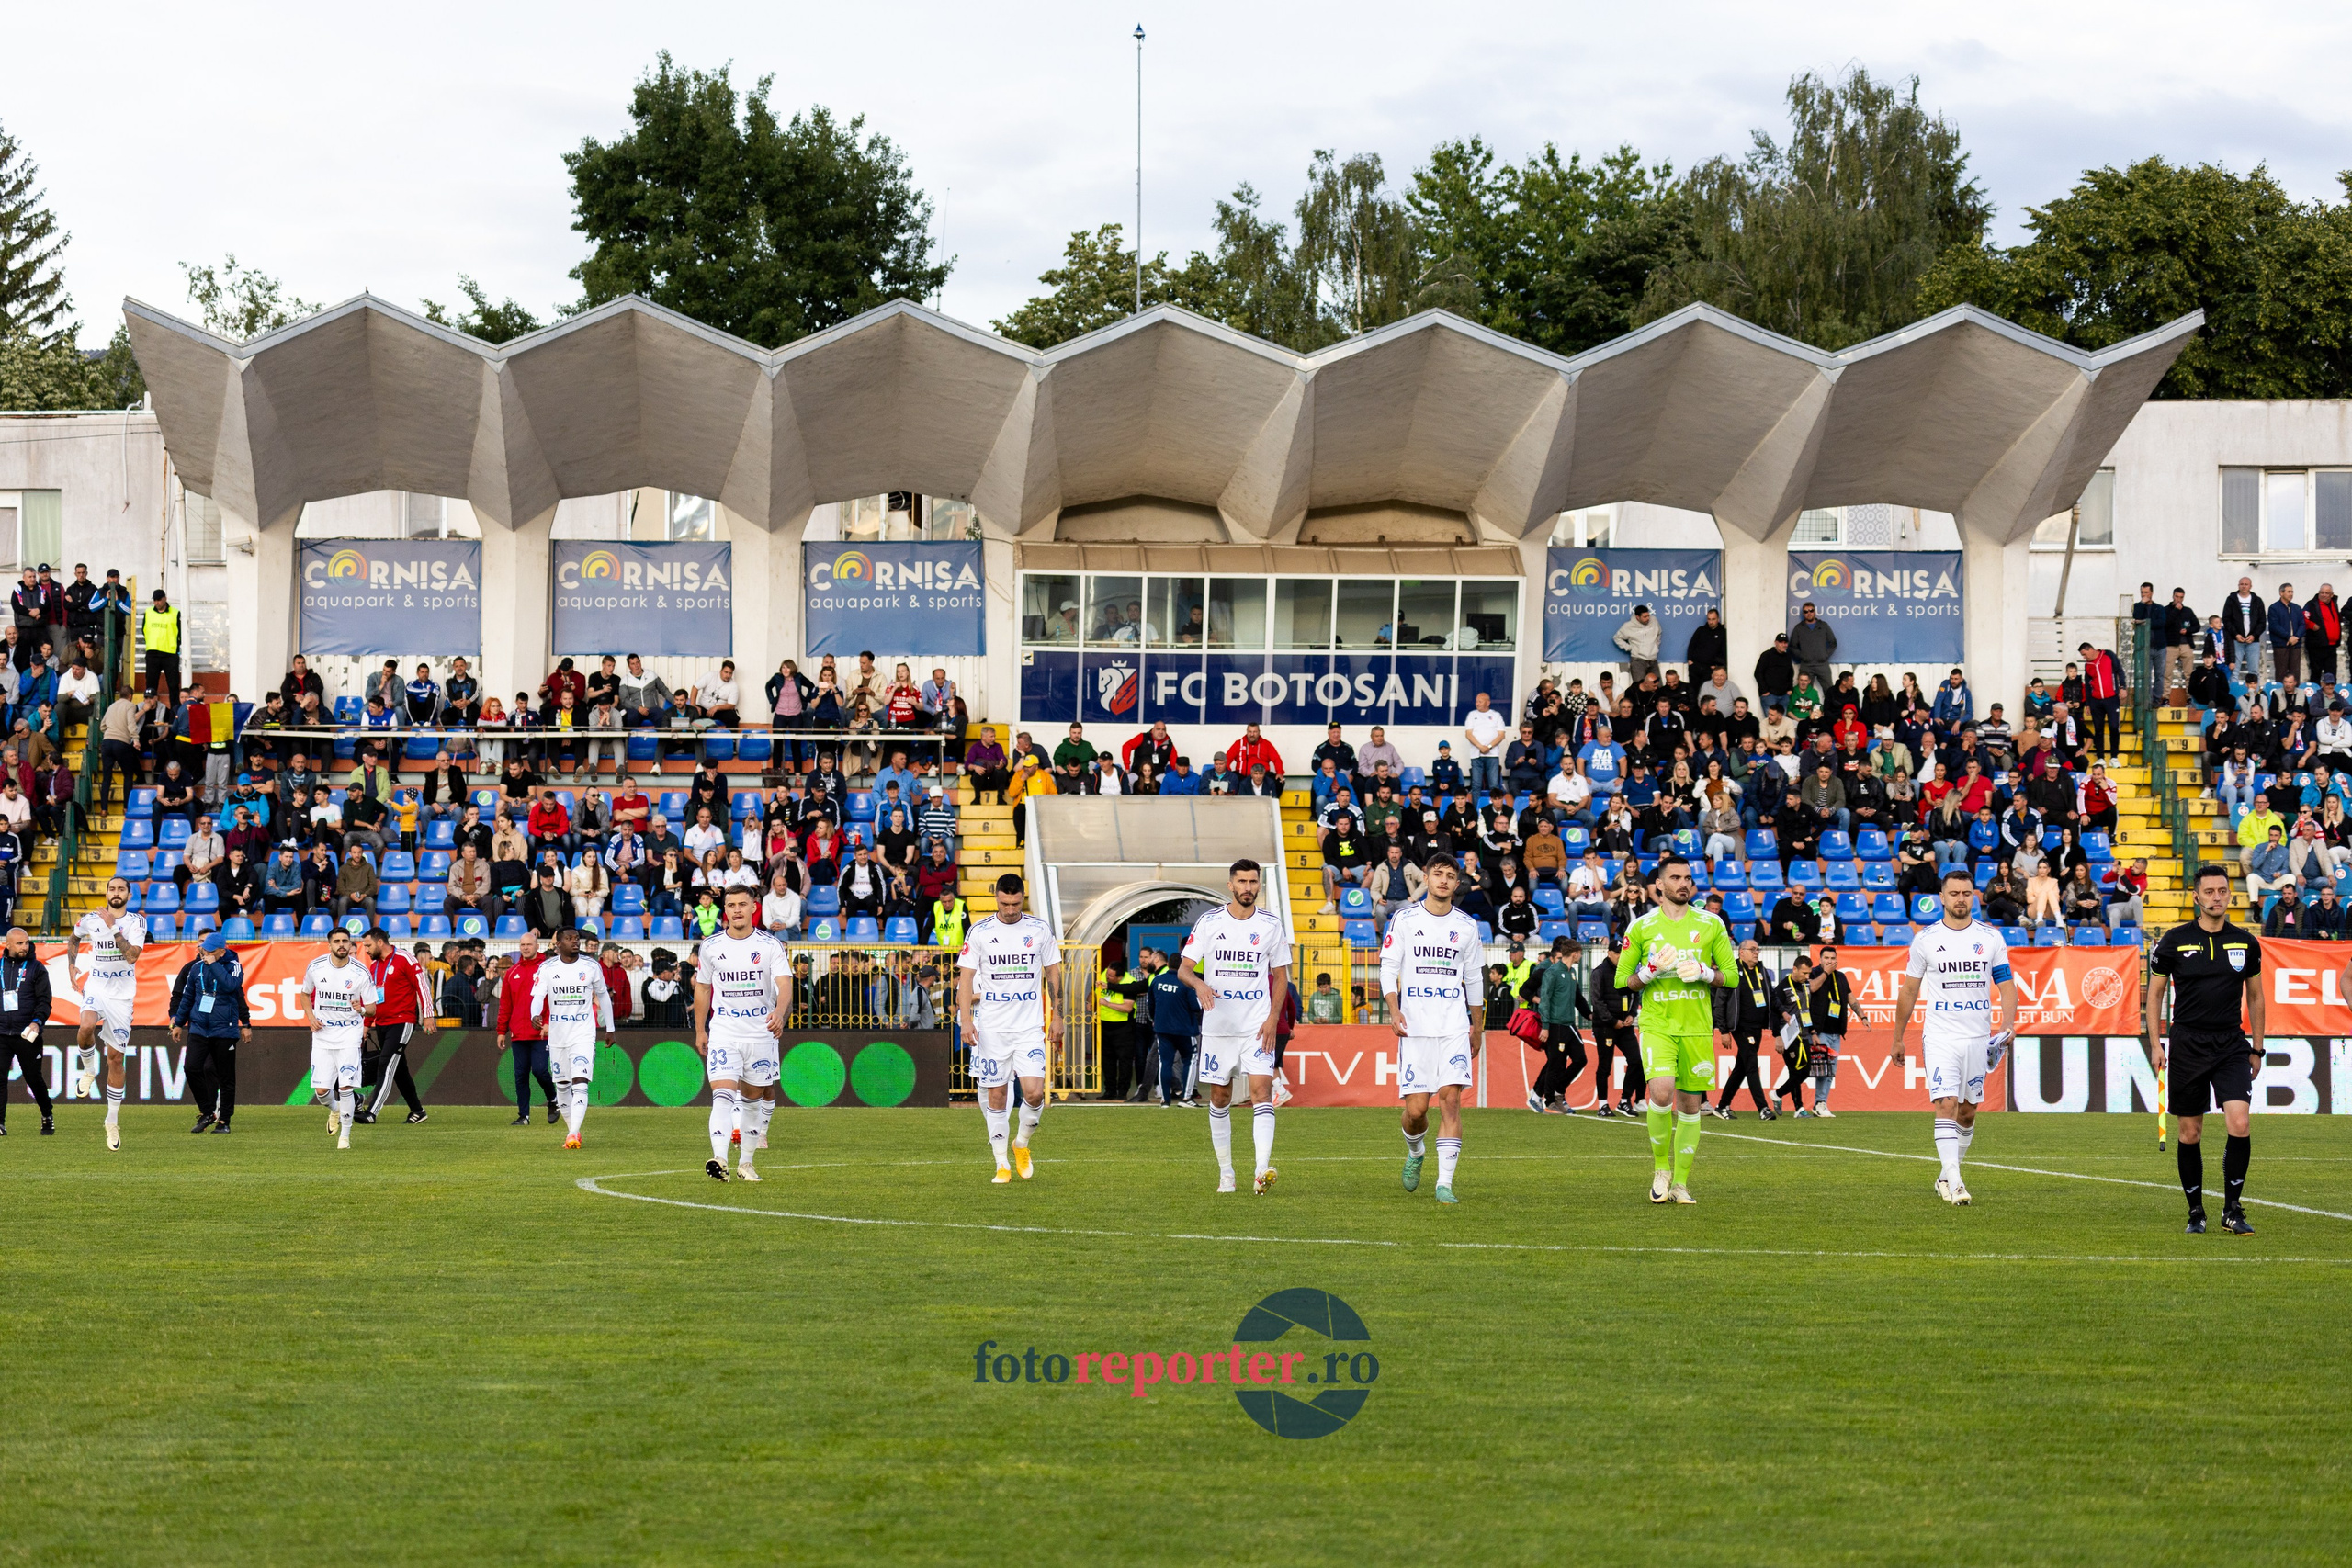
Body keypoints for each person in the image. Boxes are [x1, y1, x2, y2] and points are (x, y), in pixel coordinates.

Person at [1888, 868, 2021, 1206]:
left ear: (1973, 896)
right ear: (1942, 898)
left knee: (1968, 1112)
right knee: (1945, 1105)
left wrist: (2007, 1024)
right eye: (1954, 894)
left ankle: (1945, 1176)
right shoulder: (1926, 939)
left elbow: (2006, 984)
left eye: (1966, 893)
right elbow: (1909, 991)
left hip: (1978, 1037)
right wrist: (1897, 1038)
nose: (1961, 899)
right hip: (1940, 1037)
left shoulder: (1991, 938)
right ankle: (1957, 1183)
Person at [1611, 856, 1736, 1203]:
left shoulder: (1711, 924)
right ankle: (1660, 1168)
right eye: (1676, 878)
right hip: (1657, 1024)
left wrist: (1705, 972)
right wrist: (1649, 972)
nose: (1684, 883)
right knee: (1662, 1092)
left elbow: (1733, 975)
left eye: (1688, 878)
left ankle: (1680, 1183)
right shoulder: (1641, 927)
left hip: (1697, 1027)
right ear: (1659, 886)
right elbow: (1624, 981)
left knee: (1691, 1106)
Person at [2150, 866, 2266, 1235]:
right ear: (2196, 897)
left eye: (2222, 891)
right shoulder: (2173, 940)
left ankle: (2232, 1209)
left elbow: (2257, 996)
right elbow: (2154, 995)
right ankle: (2195, 1211)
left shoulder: (2246, 942)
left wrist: (2257, 1049)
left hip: (2231, 1043)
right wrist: (2156, 1044)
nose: (2217, 897)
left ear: (2229, 895)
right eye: (2209, 892)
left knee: (2240, 1123)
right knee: (2189, 1133)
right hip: (2187, 1044)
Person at [1178, 859, 1291, 1195]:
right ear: (1230, 885)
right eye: (1241, 882)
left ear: (1259, 885)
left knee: (1262, 1092)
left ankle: (1260, 1169)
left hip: (1256, 1026)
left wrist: (1272, 1019)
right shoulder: (1210, 922)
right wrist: (1199, 985)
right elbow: (1184, 969)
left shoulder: (1271, 925)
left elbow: (1282, 976)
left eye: (1253, 882)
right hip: (1219, 1028)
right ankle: (1226, 1172)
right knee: (1220, 1096)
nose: (1247, 888)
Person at [1379, 855, 1485, 1202]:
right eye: (1437, 874)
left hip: (1453, 1027)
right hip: (1415, 1028)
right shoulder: (1405, 919)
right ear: (1425, 877)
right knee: (1416, 1111)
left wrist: (1477, 1027)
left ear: (1457, 884)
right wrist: (1394, 1011)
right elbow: (1388, 968)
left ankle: (1445, 1184)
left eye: (1450, 876)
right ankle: (1415, 1152)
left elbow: (1473, 978)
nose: (1443, 881)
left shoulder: (1467, 926)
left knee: (1450, 1100)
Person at [956, 873, 1063, 1183]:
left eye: (1016, 903)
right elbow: (965, 981)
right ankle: (1001, 1163)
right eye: (1005, 903)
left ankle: (1021, 1144)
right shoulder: (980, 931)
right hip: (992, 1029)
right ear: (996, 898)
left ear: (1023, 898)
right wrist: (965, 1020)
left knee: (1033, 1093)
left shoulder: (1039, 930)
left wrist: (1058, 1016)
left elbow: (1054, 974)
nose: (1010, 909)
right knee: (997, 1096)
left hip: (1029, 1026)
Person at [695, 887, 792, 1180]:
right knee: (722, 1096)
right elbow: (702, 988)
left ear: (754, 908)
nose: (736, 909)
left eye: (742, 904)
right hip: (724, 1030)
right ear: (724, 909)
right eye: (731, 905)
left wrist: (779, 1011)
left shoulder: (770, 945)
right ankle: (719, 1158)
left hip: (760, 1033)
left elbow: (785, 983)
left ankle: (746, 1163)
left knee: (752, 1101)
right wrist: (700, 1029)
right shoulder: (710, 946)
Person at [73, 877, 146, 1150]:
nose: (116, 893)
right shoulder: (90, 919)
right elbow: (74, 937)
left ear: (129, 894)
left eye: (121, 890)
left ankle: (111, 1120)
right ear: (106, 893)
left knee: (115, 1059)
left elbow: (131, 957)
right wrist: (72, 965)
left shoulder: (136, 922)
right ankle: (89, 1071)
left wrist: (112, 927)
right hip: (97, 986)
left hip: (122, 996)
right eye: (112, 889)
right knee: (85, 1026)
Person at [532, 925, 614, 1150]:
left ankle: (572, 1135)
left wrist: (610, 1027)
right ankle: (573, 1131)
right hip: (558, 1035)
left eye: (577, 938)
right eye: (569, 938)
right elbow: (538, 995)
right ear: (558, 944)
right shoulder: (547, 968)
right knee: (562, 1085)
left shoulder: (591, 966)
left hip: (583, 1033)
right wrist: (534, 1014)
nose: (575, 941)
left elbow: (604, 997)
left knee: (580, 1082)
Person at [297, 926, 376, 1152]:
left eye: (346, 941)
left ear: (351, 945)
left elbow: (372, 1008)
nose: (342, 945)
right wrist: (311, 1017)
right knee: (321, 1091)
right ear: (329, 944)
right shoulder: (316, 967)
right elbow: (304, 994)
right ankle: (335, 1109)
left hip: (349, 1035)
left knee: (346, 1086)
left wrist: (361, 1009)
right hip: (323, 1035)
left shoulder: (361, 972)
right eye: (337, 941)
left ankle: (346, 1137)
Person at [169, 931, 252, 1133]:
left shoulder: (234, 967)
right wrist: (179, 1023)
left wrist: (214, 964)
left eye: (211, 951)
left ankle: (224, 1121)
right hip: (199, 1028)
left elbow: (231, 985)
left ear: (222, 951)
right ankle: (207, 1112)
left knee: (225, 1077)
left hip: (225, 1030)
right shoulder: (196, 968)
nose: (205, 953)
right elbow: (188, 996)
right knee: (191, 1068)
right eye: (204, 949)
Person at [356, 928, 429, 1125]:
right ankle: (418, 1111)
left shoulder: (404, 958)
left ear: (380, 943)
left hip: (402, 1021)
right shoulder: (374, 967)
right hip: (381, 1023)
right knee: (399, 1071)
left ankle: (371, 1112)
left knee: (385, 1064)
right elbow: (371, 1000)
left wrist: (428, 1014)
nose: (367, 950)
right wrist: (366, 1026)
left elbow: (421, 984)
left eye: (368, 946)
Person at [1711, 937, 1782, 1120]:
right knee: (1751, 1065)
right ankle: (1763, 1108)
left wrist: (1784, 1013)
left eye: (1758, 949)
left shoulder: (1762, 971)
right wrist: (1724, 1031)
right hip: (1740, 1027)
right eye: (1753, 949)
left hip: (1757, 1027)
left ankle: (1722, 1105)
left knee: (1741, 1068)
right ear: (1741, 952)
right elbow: (1720, 1003)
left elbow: (1772, 997)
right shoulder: (1731, 970)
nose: (1757, 952)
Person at [495, 931, 559, 1127]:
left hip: (540, 1032)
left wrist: (548, 1022)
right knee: (520, 1075)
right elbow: (506, 1004)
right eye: (522, 945)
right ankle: (524, 1115)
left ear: (537, 946)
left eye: (529, 944)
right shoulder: (512, 972)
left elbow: (554, 1000)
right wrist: (501, 1031)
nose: (525, 947)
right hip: (518, 1033)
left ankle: (553, 1100)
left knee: (540, 1070)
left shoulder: (547, 969)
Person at [0, 926, 54, 1135]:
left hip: (27, 1033)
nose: (25, 947)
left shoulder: (37, 968)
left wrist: (36, 1022)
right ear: (8, 945)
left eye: (27, 942)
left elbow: (44, 1001)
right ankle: (1, 1123)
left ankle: (47, 1114)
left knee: (33, 1078)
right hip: (2, 1033)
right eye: (20, 943)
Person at [1529, 936, 1589, 1114]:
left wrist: (1589, 1013)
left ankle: (1558, 1091)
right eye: (1580, 954)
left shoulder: (1572, 973)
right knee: (1555, 1063)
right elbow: (1545, 1000)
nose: (1580, 957)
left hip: (1569, 1024)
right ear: (1575, 954)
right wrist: (1545, 1026)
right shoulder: (1552, 972)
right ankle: (1551, 1099)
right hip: (1555, 1025)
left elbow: (1576, 998)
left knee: (1580, 1059)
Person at [141, 587, 182, 703]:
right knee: (150, 685)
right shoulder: (148, 612)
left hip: (170, 654)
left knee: (173, 685)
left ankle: (174, 712)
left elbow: (180, 633)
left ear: (165, 599)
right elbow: (144, 630)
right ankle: (149, 711)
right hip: (153, 653)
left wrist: (176, 646)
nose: (157, 602)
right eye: (155, 600)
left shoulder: (175, 613)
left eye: (159, 599)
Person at [1788, 601, 1837, 694]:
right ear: (1803, 614)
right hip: (1807, 665)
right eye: (1806, 611)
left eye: (1811, 610)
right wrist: (1803, 656)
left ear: (1815, 612)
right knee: (1804, 692)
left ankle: (1830, 709)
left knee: (1830, 691)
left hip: (1822, 664)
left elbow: (1833, 643)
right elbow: (1792, 646)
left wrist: (1825, 655)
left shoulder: (1823, 626)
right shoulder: (1799, 628)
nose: (1809, 613)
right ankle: (1805, 709)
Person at [1613, 604, 1661, 684]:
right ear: (1637, 617)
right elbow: (1617, 638)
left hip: (1653, 660)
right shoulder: (1628, 626)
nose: (1648, 618)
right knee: (1640, 687)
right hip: (1638, 660)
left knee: (1657, 686)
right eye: (1645, 617)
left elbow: (1659, 633)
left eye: (1648, 616)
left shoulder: (1654, 620)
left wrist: (1655, 646)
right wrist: (1629, 648)